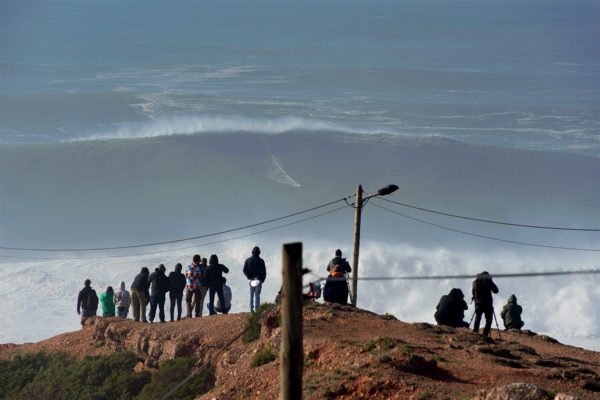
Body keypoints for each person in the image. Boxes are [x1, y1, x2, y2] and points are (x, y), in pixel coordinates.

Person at [472, 271, 499, 336]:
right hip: (488, 304)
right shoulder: (488, 281)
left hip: (478, 303)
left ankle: (475, 332)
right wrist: (491, 281)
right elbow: (496, 290)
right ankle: (485, 334)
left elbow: (473, 293)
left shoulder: (475, 282)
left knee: (478, 318)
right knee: (489, 320)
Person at [243, 246, 267, 313]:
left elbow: (244, 270)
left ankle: (251, 311)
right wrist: (262, 279)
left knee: (251, 295)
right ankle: (257, 311)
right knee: (257, 296)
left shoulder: (248, 260)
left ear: (252, 252)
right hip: (258, 280)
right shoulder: (261, 261)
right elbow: (264, 272)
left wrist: (250, 277)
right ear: (259, 252)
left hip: (251, 280)